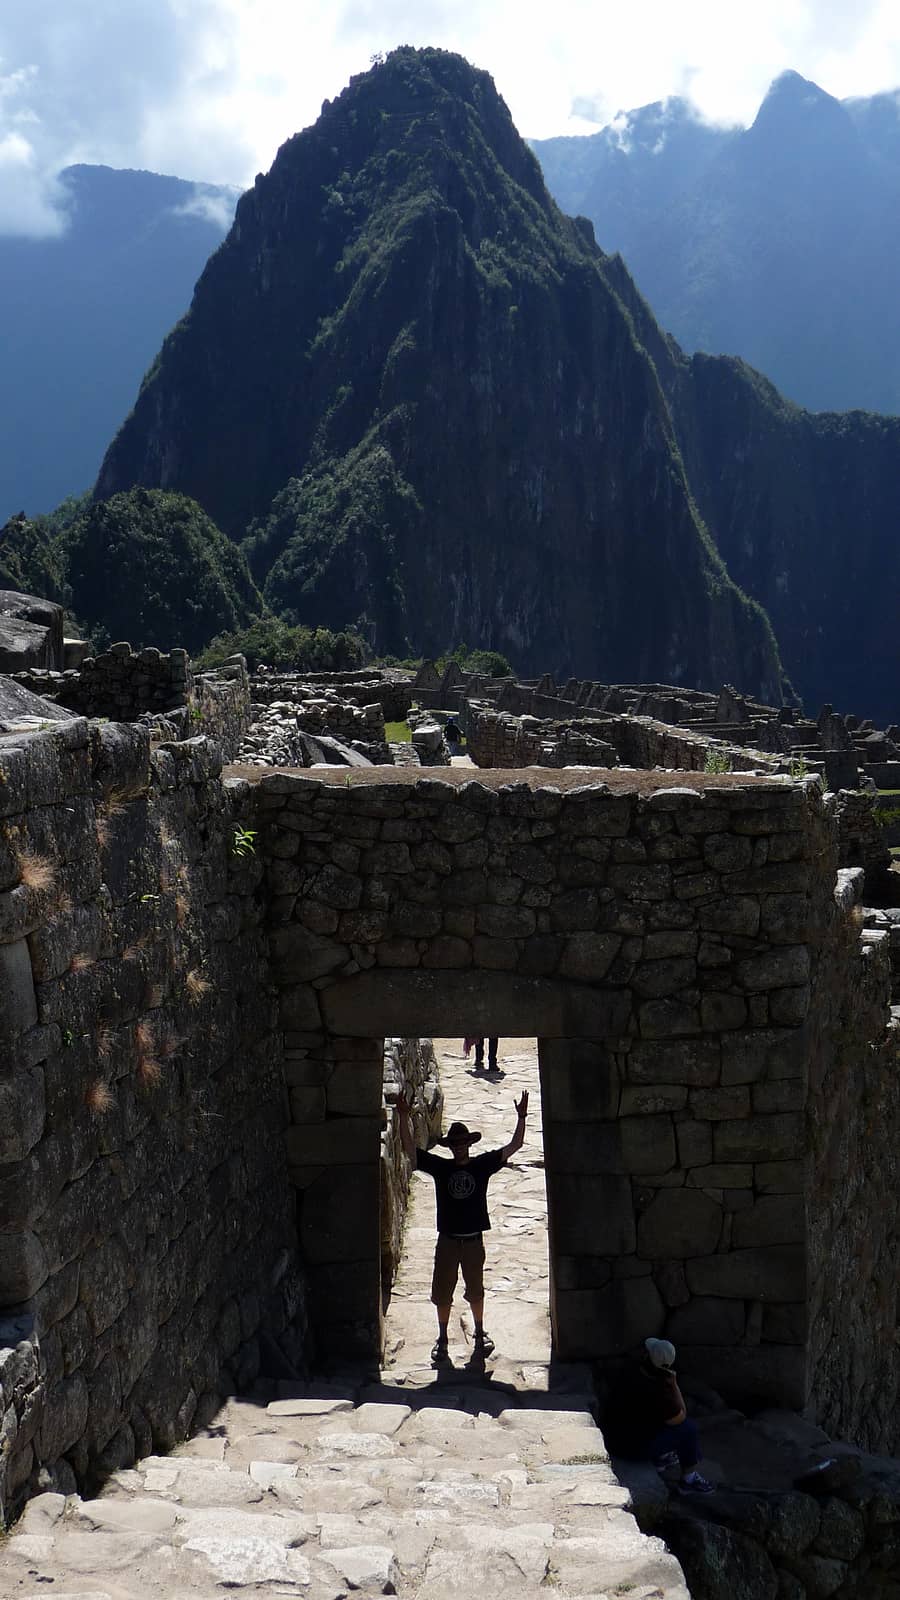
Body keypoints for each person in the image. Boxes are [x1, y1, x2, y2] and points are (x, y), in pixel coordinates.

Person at [396, 1089, 529, 1363]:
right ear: (450, 1147)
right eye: (455, 1144)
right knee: (442, 1292)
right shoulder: (441, 1168)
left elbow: (515, 1145)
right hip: (447, 1240)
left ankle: (480, 1332)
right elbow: (409, 1149)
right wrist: (402, 1116)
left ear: (469, 1143)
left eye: (462, 1143)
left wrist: (522, 1116)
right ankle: (442, 1338)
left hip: (472, 1241)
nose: (459, 1147)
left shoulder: (482, 1166)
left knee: (475, 1290)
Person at [602, 1337, 713, 1494]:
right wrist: (674, 1385)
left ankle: (660, 1457)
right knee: (688, 1430)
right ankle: (689, 1479)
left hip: (611, 1439)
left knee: (650, 1420)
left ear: (647, 1357)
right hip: (630, 1450)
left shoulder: (630, 1370)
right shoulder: (660, 1393)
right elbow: (682, 1415)